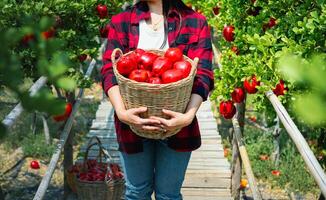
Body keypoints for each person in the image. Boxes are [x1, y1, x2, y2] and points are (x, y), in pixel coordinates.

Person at [101, 0, 214, 199]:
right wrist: (121, 112)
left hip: (178, 125)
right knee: (136, 193)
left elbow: (203, 75)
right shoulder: (122, 21)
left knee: (168, 195)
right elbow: (110, 71)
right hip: (132, 123)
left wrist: (187, 117)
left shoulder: (195, 21)